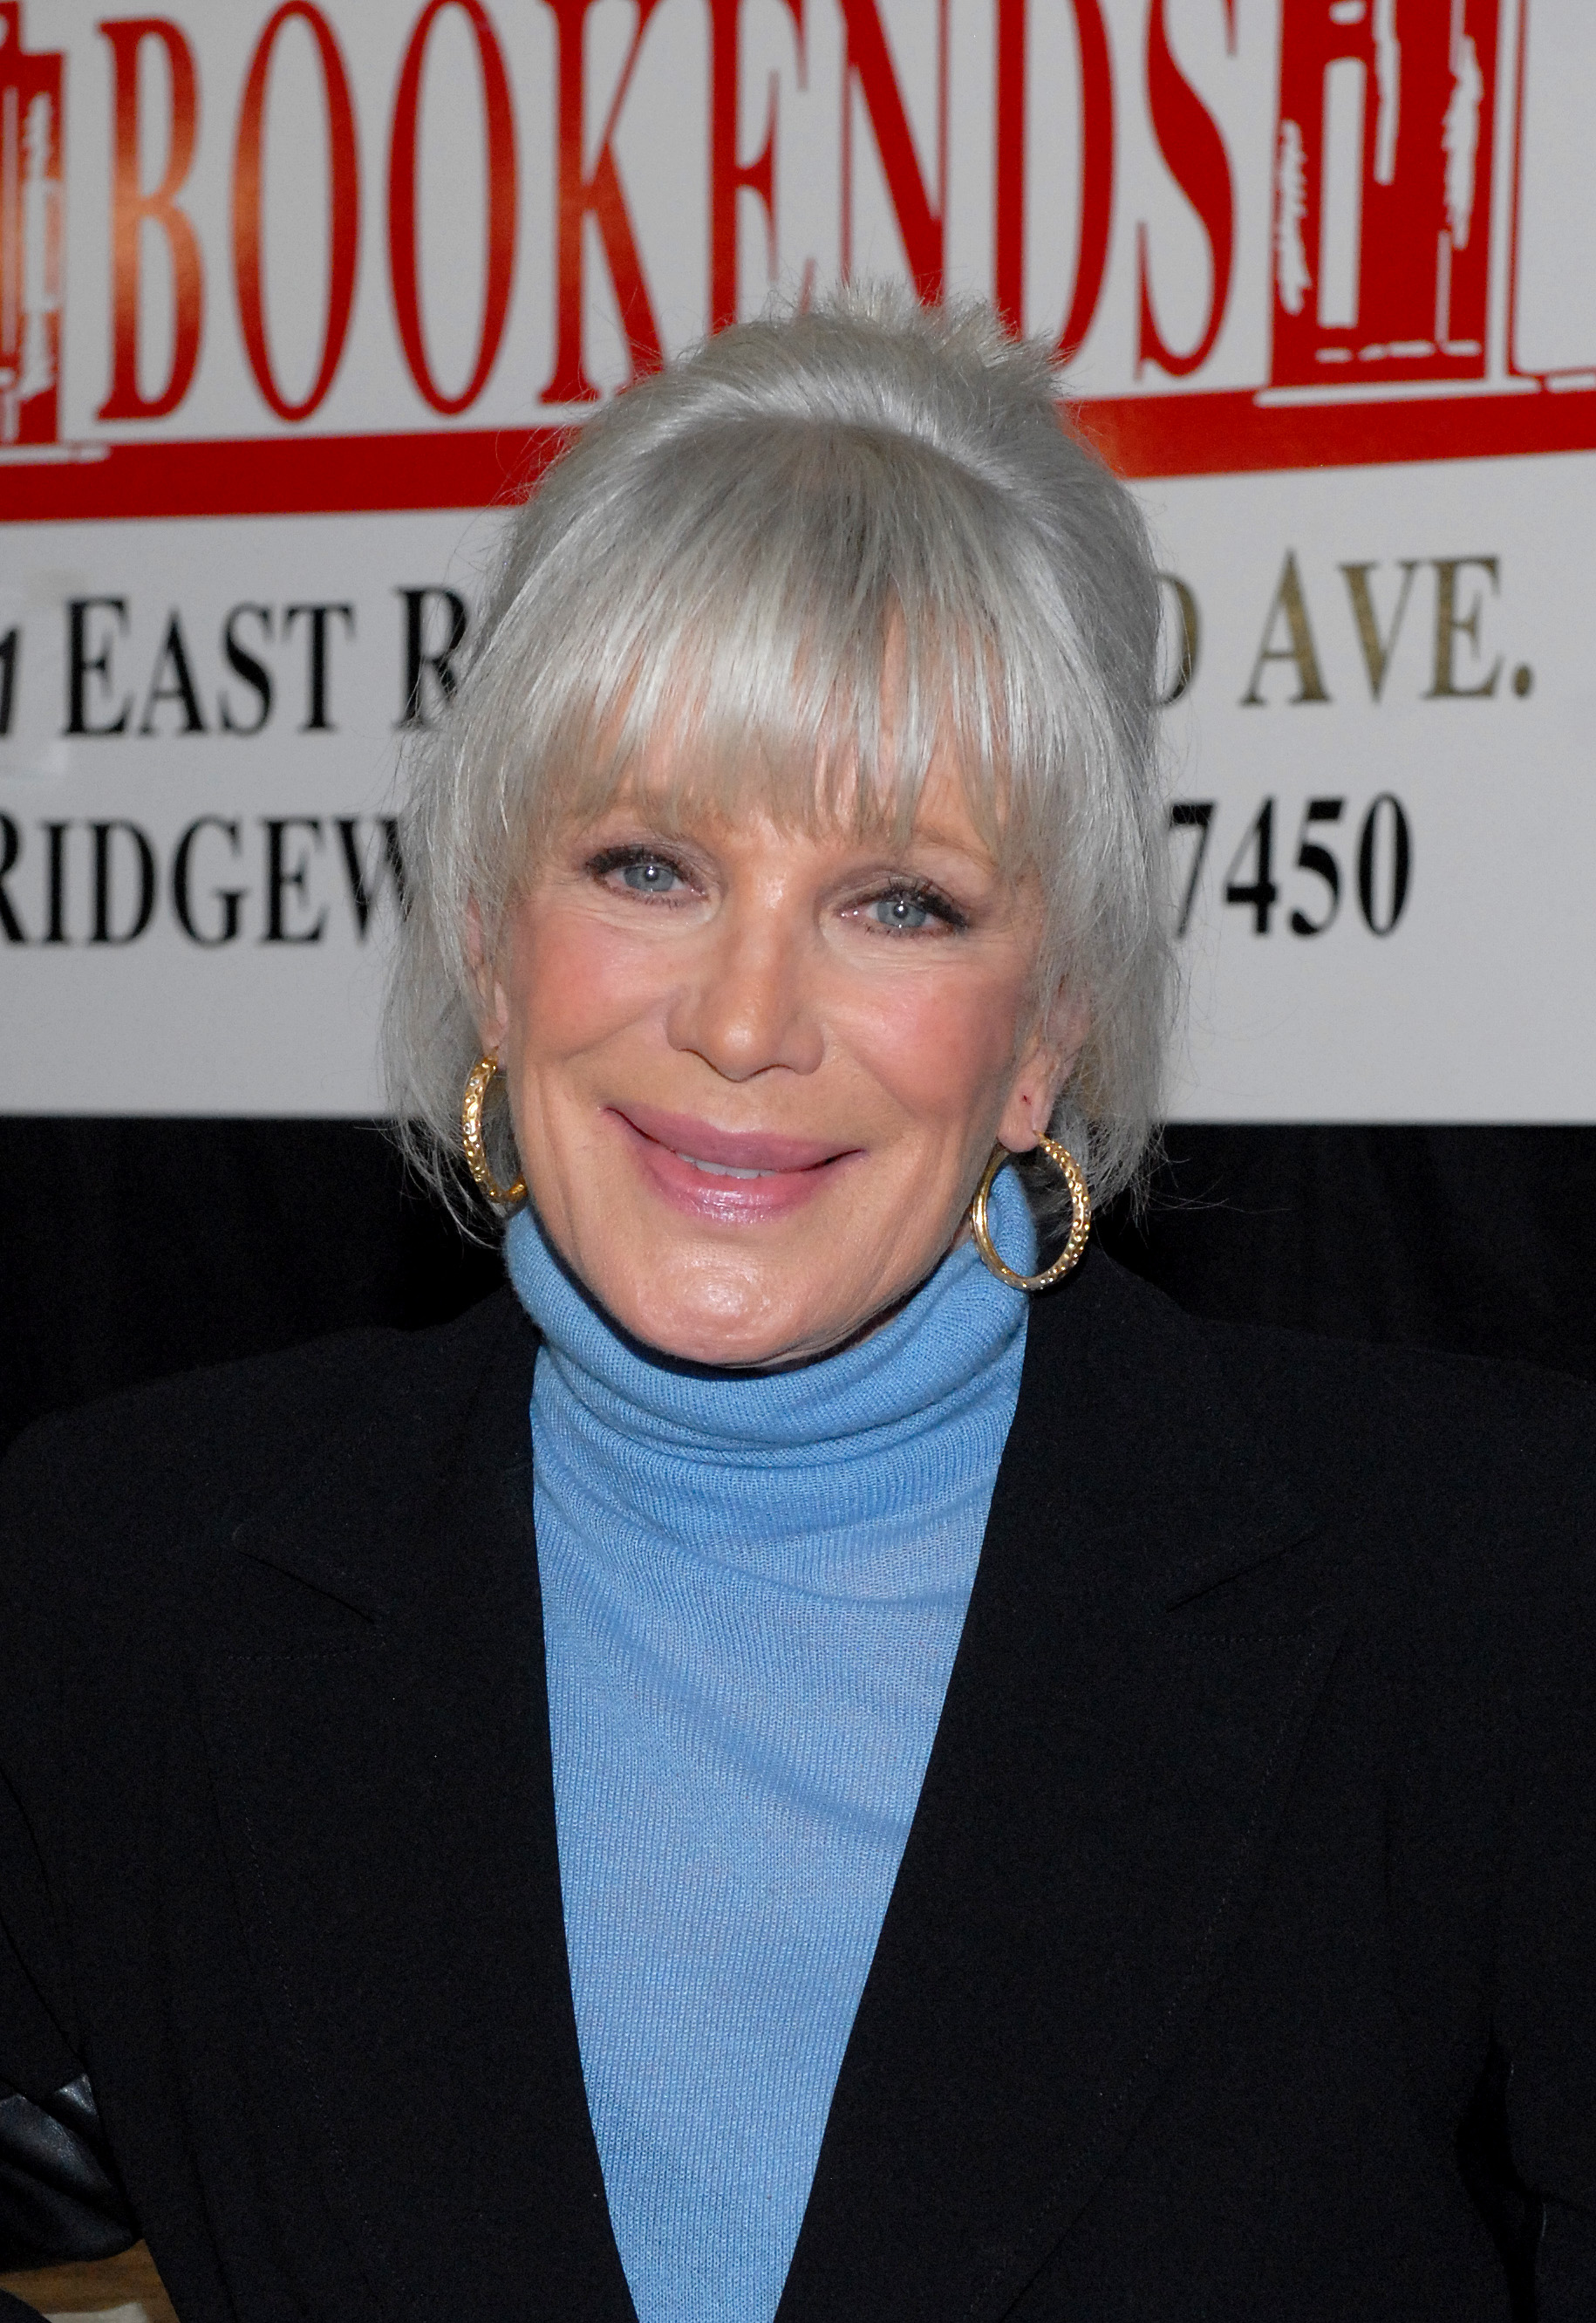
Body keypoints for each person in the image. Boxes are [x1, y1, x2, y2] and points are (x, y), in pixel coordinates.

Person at [1, 290, 1592, 2323]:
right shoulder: (120, 1578)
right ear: (494, 947)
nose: (745, 1022)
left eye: (898, 902)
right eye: (648, 866)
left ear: (1048, 1035)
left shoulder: (1491, 1593)